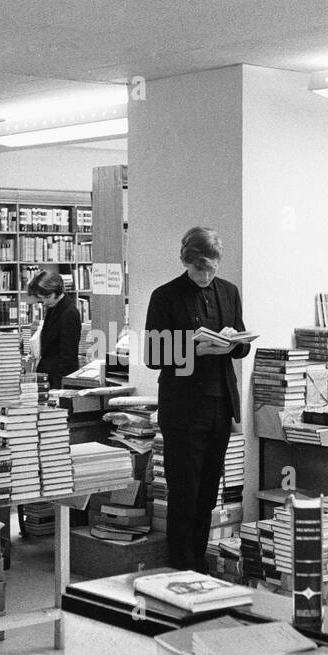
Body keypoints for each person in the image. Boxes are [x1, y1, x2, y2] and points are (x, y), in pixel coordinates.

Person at [144, 227, 250, 572]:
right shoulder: (166, 296)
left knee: (208, 490)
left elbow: (243, 344)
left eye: (212, 269)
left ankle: (198, 558)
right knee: (184, 489)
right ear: (185, 262)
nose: (206, 276)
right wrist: (193, 346)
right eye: (199, 270)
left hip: (220, 404)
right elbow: (153, 353)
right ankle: (181, 561)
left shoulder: (229, 292)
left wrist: (236, 341)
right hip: (183, 407)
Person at [28, 269, 82, 389]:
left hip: (57, 380)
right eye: (42, 298)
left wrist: (59, 388)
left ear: (56, 291)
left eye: (47, 297)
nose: (45, 302)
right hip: (48, 376)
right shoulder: (53, 307)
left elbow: (68, 357)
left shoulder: (69, 313)